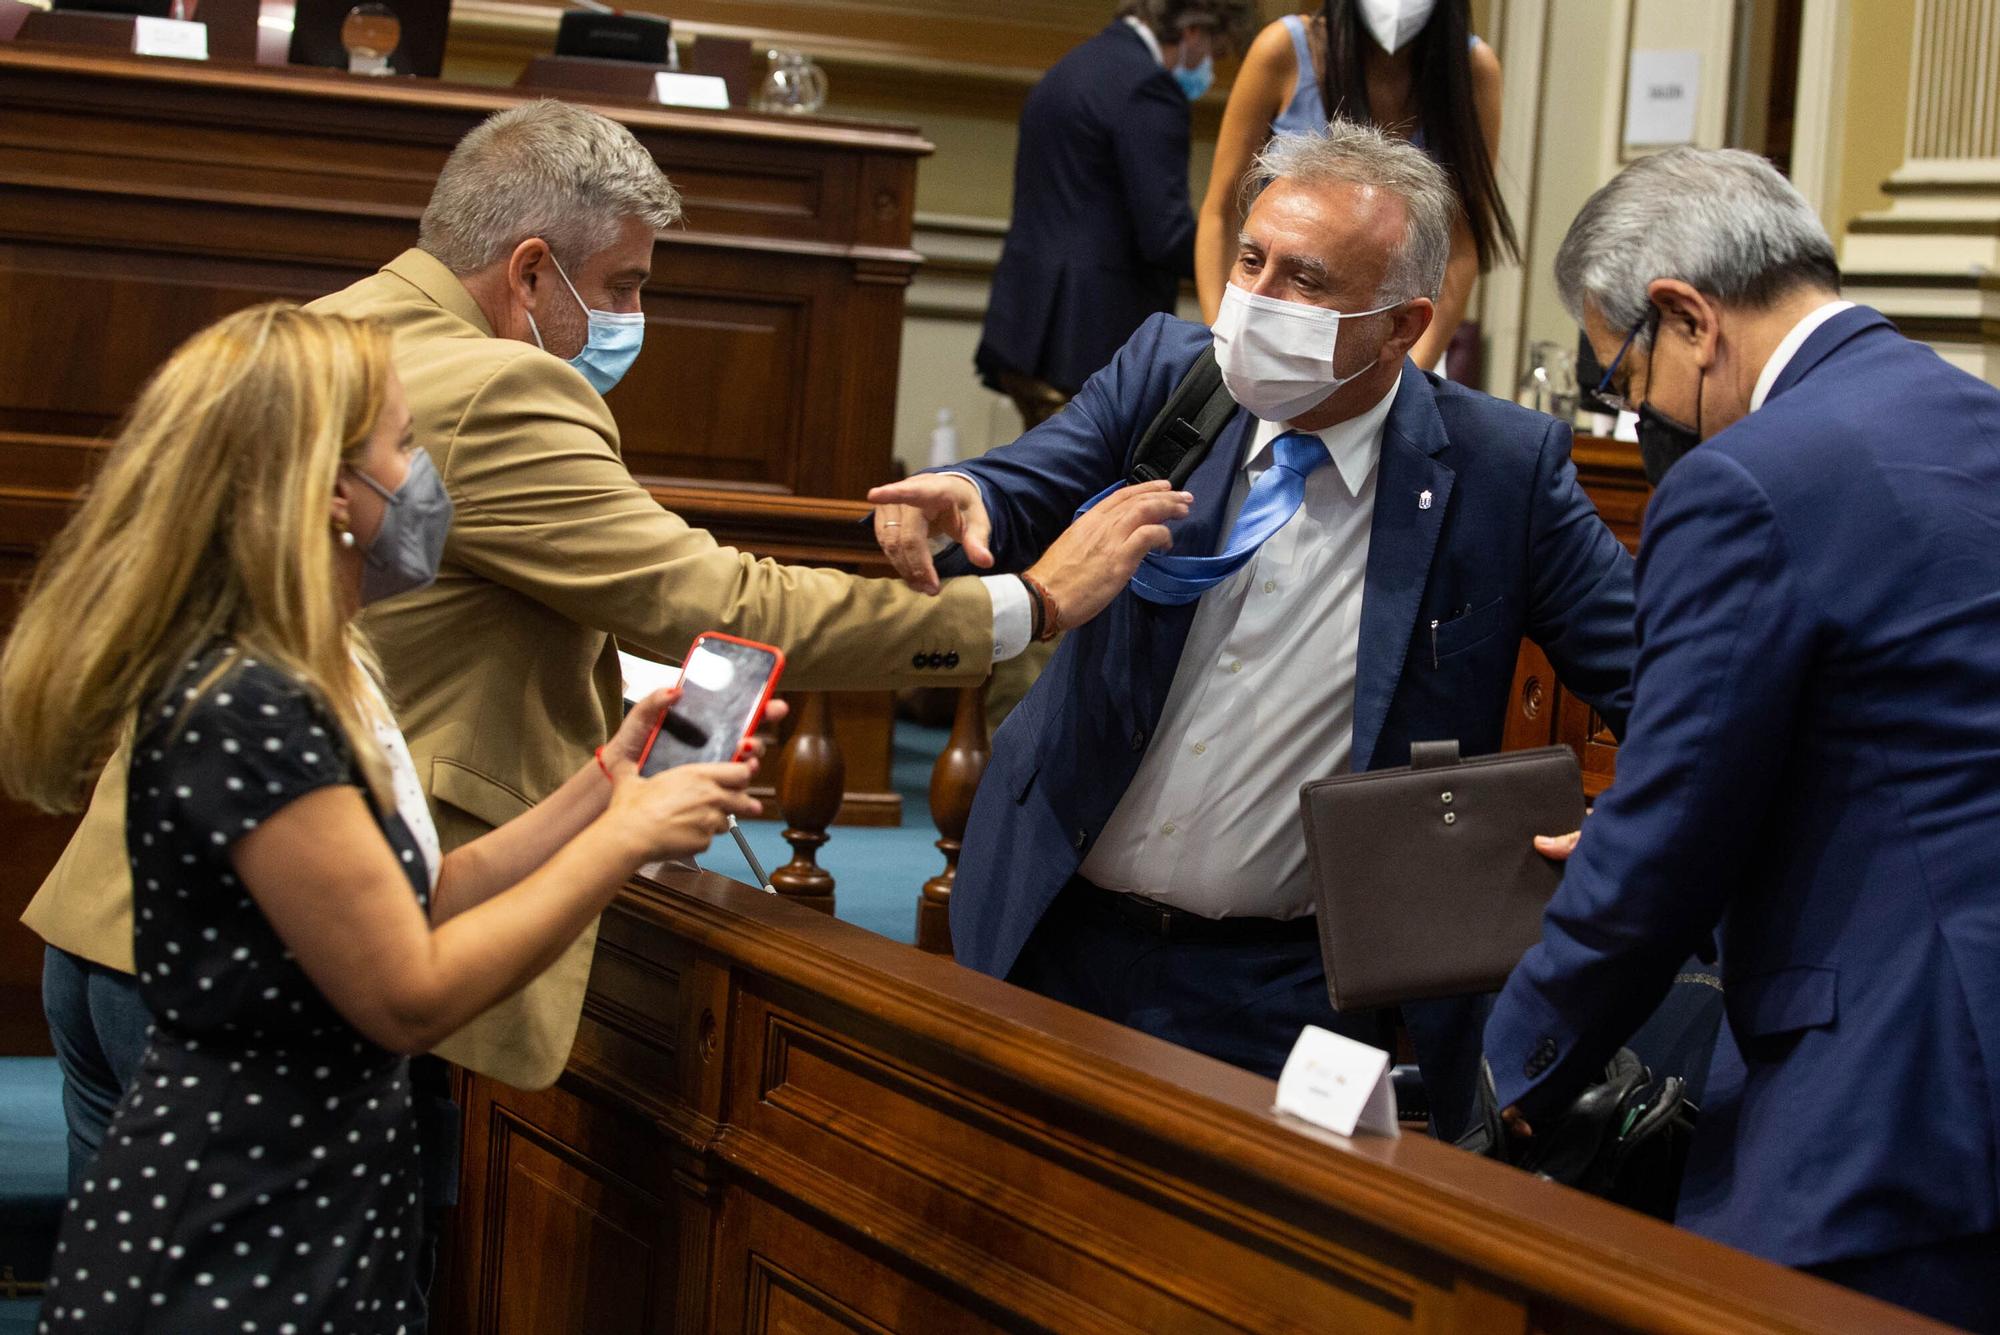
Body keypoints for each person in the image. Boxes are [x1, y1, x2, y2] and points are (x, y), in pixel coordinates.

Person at [22, 98, 1187, 1245]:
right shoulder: (494, 383)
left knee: (128, 1272)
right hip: (291, 961)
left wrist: (594, 781)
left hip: (125, 917)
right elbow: (722, 603)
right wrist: (1022, 605)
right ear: (530, 271)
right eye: (623, 287)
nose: (634, 317)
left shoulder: (341, 325)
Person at [2, 305, 768, 1331]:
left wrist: (603, 786)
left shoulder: (320, 662)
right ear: (329, 494)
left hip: (317, 1188)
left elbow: (424, 893)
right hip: (236, 1219)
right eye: (402, 446)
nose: (420, 476)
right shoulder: (245, 706)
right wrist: (627, 842)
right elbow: (407, 995)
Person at [871, 123, 1635, 1141]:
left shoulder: (1501, 473)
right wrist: (961, 489)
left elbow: (1656, 679)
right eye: (1249, 260)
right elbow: (1032, 472)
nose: (1256, 299)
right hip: (1052, 921)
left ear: (1399, 324)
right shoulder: (1168, 372)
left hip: (1284, 990)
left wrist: (1634, 835)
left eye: (1305, 280)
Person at [1482, 148, 2000, 1331]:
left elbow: (1664, 844)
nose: (1634, 414)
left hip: (1884, 1109)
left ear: (1685, 317)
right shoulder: (1965, 413)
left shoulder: (1740, 486)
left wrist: (1502, 1075)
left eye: (1622, 372)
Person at [1194, 0, 1517, 372]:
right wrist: (1221, 340)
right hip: (1267, 332)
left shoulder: (1473, 70)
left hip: (1395, 347)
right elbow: (1220, 212)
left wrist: (1407, 374)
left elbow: (1461, 247)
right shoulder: (1284, 48)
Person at [976, 0, 1256, 428]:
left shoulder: (1074, 66)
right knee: (1089, 493)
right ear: (1195, 31)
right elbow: (1165, 234)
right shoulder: (1150, 89)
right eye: (1215, 52)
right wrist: (1249, 263)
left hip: (1026, 325)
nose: (1210, 69)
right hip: (1086, 337)